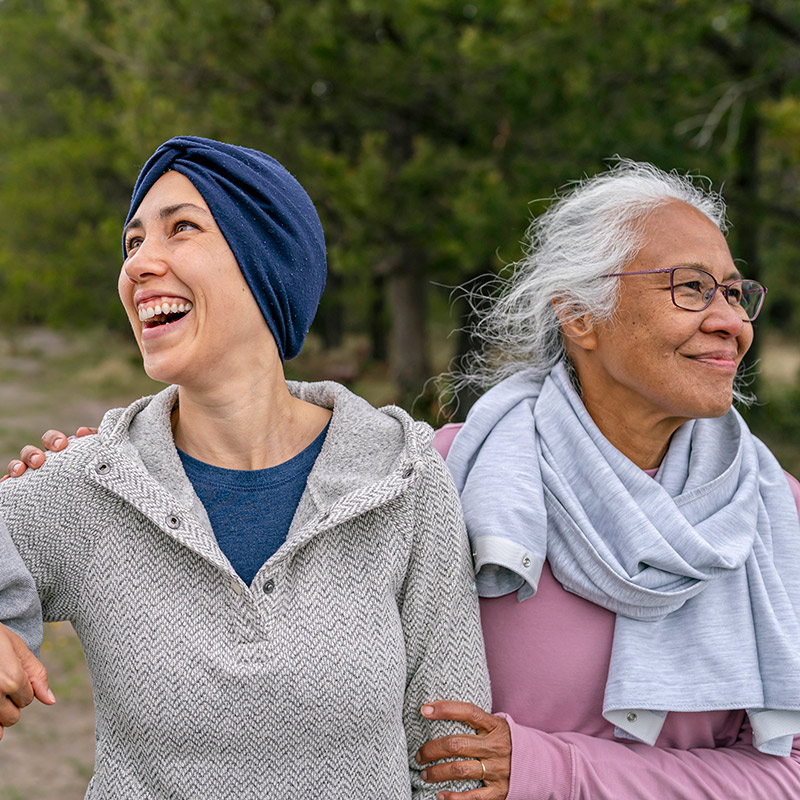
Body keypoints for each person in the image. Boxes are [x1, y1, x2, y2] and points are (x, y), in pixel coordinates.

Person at [0, 135, 490, 797]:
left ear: (269, 262)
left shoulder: (402, 479)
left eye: (182, 229)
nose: (141, 262)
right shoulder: (89, 483)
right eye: (133, 241)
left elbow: (452, 768)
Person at [412, 161, 800, 798]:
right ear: (580, 316)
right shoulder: (456, 481)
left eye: (734, 293)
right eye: (692, 287)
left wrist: (556, 771)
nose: (732, 321)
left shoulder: (770, 509)